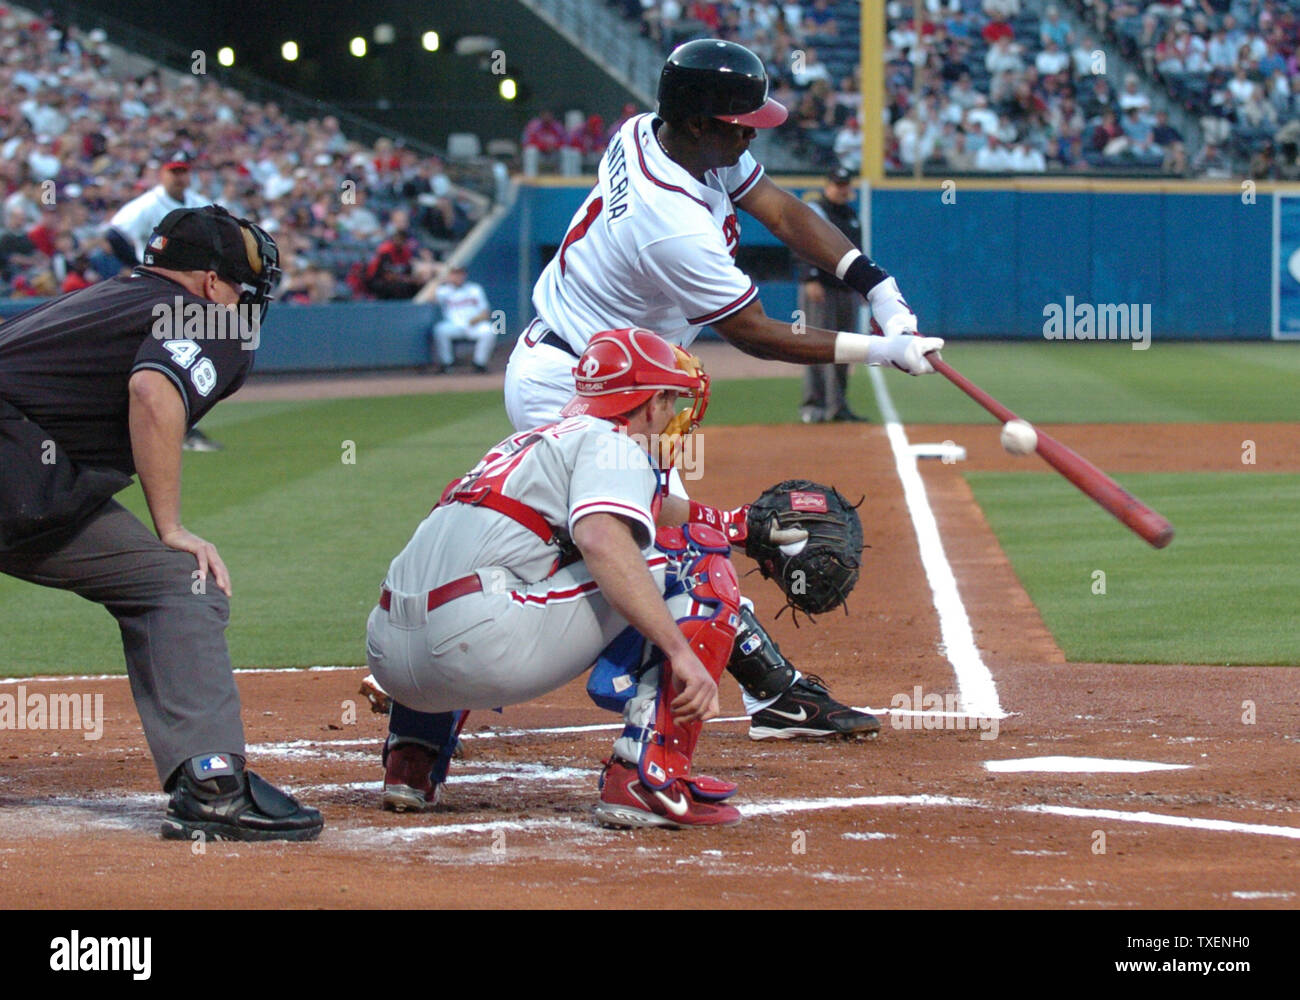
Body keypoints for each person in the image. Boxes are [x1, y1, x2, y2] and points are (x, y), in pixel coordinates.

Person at [499, 39, 943, 745]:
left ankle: (769, 690)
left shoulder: (663, 134)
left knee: (654, 540)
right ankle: (644, 714)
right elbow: (755, 333)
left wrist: (875, 285)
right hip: (582, 388)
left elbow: (784, 212)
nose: (752, 132)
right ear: (701, 122)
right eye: (740, 122)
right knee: (658, 551)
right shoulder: (667, 220)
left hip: (613, 380)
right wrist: (883, 350)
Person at [0, 205, 322, 842]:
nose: (244, 301)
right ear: (208, 282)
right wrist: (170, 525)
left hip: (20, 468)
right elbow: (153, 390)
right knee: (178, 583)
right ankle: (213, 788)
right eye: (240, 286)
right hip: (13, 471)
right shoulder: (208, 317)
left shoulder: (101, 298)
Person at [369, 329, 746, 827]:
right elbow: (600, 540)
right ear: (650, 402)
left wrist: (733, 522)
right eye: (671, 398)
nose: (673, 413)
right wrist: (679, 651)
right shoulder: (617, 444)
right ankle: (646, 777)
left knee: (484, 571)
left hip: (390, 655)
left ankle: (411, 759)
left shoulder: (528, 443)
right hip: (475, 647)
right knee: (696, 563)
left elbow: (646, 507)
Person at [105, 151, 222, 453]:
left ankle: (181, 426)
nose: (179, 176)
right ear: (163, 174)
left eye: (184, 171)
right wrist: (136, 266)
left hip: (188, 293)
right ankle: (169, 428)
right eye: (174, 171)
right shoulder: (148, 204)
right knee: (158, 357)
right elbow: (115, 233)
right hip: (152, 292)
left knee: (182, 356)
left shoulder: (197, 201)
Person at [797, 166, 868, 424]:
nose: (842, 189)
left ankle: (838, 406)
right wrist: (810, 277)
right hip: (822, 289)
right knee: (817, 346)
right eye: (838, 184)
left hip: (844, 289)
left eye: (845, 184)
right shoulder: (817, 210)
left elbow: (856, 254)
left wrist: (861, 285)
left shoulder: (850, 214)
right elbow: (801, 242)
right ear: (828, 185)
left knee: (844, 350)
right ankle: (813, 405)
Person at [432, 265, 496, 374]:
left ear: (465, 275)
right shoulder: (443, 290)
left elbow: (486, 313)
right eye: (454, 274)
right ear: (449, 275)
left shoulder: (474, 289)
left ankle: (479, 364)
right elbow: (428, 299)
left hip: (474, 325)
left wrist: (476, 319)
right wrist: (440, 280)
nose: (458, 277)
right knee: (440, 330)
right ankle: (447, 364)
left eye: (460, 274)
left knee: (489, 330)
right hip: (454, 326)